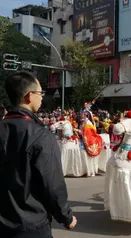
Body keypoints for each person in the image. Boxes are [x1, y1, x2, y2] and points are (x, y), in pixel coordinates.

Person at [0, 71, 76, 238]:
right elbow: (52, 184)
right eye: (40, 93)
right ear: (29, 96)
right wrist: (66, 217)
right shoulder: (40, 135)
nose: (42, 97)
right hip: (31, 225)